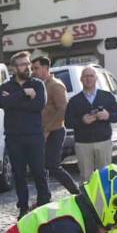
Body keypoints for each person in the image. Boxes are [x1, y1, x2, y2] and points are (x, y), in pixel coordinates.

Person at [0, 51, 50, 216]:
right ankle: (23, 208)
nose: (27, 67)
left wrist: (14, 101)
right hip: (14, 138)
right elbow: (3, 103)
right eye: (23, 64)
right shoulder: (5, 87)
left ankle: (44, 204)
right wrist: (24, 94)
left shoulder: (38, 84)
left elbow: (38, 105)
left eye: (28, 63)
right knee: (19, 175)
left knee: (39, 172)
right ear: (14, 68)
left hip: (34, 137)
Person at [64, 66, 117, 178]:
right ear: (81, 79)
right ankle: (89, 196)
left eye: (91, 76)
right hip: (83, 143)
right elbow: (68, 122)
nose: (88, 79)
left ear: (96, 78)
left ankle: (104, 196)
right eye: (85, 76)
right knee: (86, 177)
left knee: (105, 176)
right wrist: (82, 120)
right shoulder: (74, 100)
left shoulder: (107, 96)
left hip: (103, 142)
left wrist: (108, 115)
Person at [32, 56, 74, 193]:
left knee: (53, 165)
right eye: (32, 68)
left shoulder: (55, 85)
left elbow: (63, 109)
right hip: (41, 132)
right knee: (41, 167)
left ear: (45, 68)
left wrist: (48, 130)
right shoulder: (39, 85)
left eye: (36, 68)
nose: (33, 71)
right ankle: (44, 197)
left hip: (54, 131)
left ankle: (76, 192)